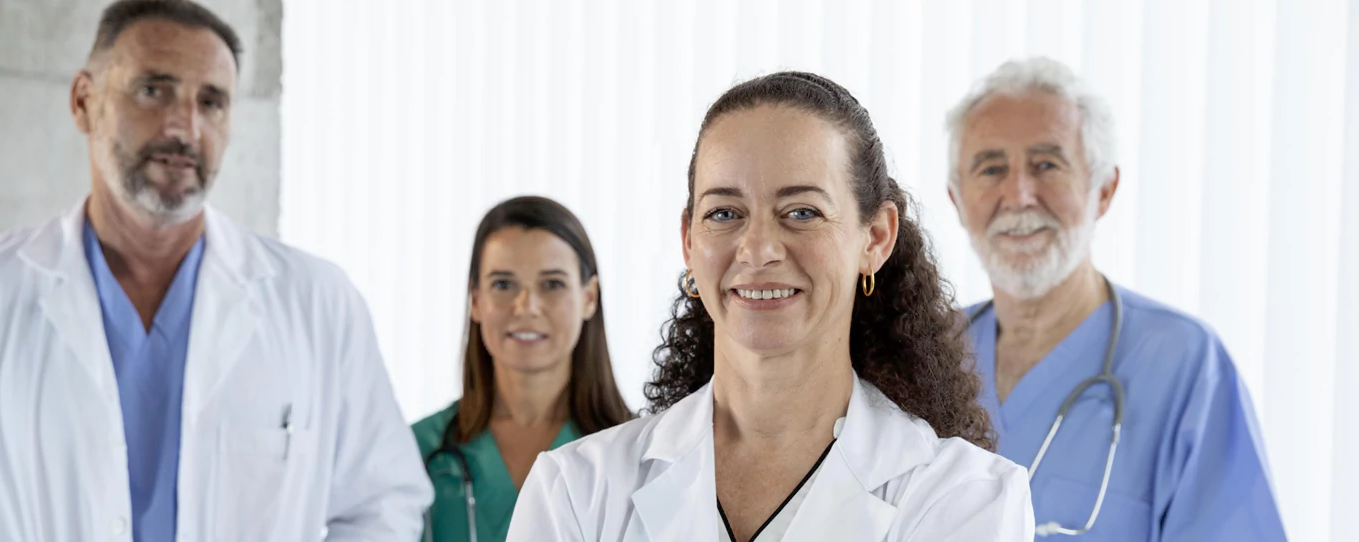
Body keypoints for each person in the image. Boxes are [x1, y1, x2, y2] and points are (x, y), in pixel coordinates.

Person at [0, 1, 431, 540]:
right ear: (83, 101)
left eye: (211, 102)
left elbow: (383, 506)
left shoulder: (319, 304)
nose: (184, 128)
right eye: (154, 90)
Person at [508, 72, 1033, 541]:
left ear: (875, 237)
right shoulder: (575, 490)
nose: (757, 249)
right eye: (724, 213)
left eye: (801, 211)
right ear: (688, 241)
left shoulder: (966, 497)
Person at [946, 57, 1286, 541]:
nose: (1019, 195)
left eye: (1047, 164)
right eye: (991, 168)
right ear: (958, 201)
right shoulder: (926, 353)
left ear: (1103, 190)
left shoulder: (1184, 366)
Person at [413, 196, 634, 542]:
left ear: (589, 297)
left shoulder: (638, 454)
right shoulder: (417, 451)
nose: (526, 306)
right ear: (475, 300)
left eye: (552, 284)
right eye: (503, 284)